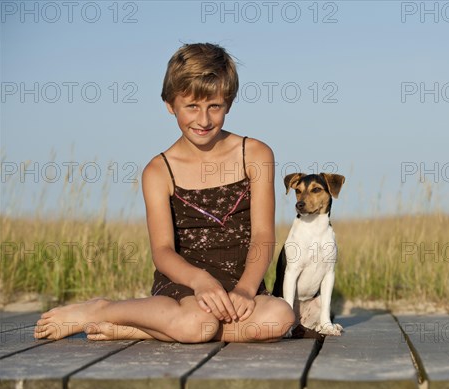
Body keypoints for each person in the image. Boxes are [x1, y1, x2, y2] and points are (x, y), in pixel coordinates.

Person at [34, 43, 295, 343]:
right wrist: (200, 281)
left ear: (229, 103)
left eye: (215, 106)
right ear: (170, 104)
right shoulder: (159, 171)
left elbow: (263, 235)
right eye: (192, 107)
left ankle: (136, 329)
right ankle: (103, 309)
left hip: (240, 284)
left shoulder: (256, 154)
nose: (204, 119)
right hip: (182, 287)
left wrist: (247, 289)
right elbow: (162, 252)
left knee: (280, 317)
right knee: (198, 324)